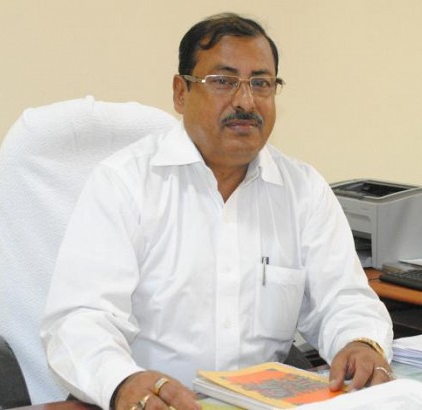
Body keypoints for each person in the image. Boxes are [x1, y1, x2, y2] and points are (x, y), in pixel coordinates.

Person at [41, 13, 394, 410]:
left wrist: (361, 342)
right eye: (223, 81)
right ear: (181, 93)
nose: (246, 101)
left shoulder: (304, 190)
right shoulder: (124, 183)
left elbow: (343, 298)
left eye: (261, 83)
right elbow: (79, 319)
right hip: (148, 402)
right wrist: (122, 383)